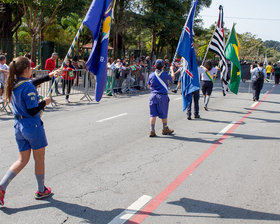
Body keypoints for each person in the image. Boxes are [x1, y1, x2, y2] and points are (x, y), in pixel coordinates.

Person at [0, 56, 61, 206]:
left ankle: (1, 187)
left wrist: (49, 76)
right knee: (39, 159)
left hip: (19, 126)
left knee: (22, 160)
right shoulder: (26, 86)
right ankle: (41, 190)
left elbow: (31, 82)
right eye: (31, 68)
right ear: (26, 69)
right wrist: (44, 103)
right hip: (32, 126)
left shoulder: (14, 83)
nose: (32, 70)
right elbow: (33, 110)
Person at [148, 59, 175, 137]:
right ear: (163, 67)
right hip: (162, 96)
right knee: (163, 113)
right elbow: (172, 77)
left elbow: (148, 86)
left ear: (154, 66)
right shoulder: (165, 74)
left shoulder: (151, 75)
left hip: (153, 96)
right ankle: (165, 128)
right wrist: (172, 70)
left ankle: (152, 130)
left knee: (153, 114)